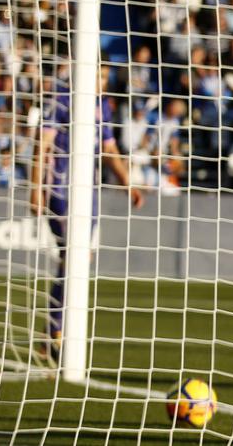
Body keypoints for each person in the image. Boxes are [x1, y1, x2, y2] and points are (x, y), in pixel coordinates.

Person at [30, 65, 145, 360]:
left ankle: (52, 331)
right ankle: (57, 332)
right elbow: (42, 145)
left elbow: (109, 148)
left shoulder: (101, 104)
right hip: (60, 186)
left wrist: (127, 182)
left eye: (105, 77)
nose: (101, 82)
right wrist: (36, 187)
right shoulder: (61, 98)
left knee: (77, 259)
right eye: (97, 75)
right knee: (74, 254)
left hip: (88, 191)